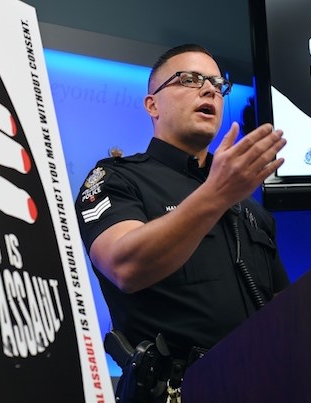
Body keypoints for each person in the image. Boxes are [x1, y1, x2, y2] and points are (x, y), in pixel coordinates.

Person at [74, 44, 291, 402]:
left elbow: (287, 312)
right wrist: (216, 195)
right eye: (189, 80)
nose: (208, 90)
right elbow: (124, 266)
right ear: (152, 105)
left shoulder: (251, 210)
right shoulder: (117, 178)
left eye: (217, 84)